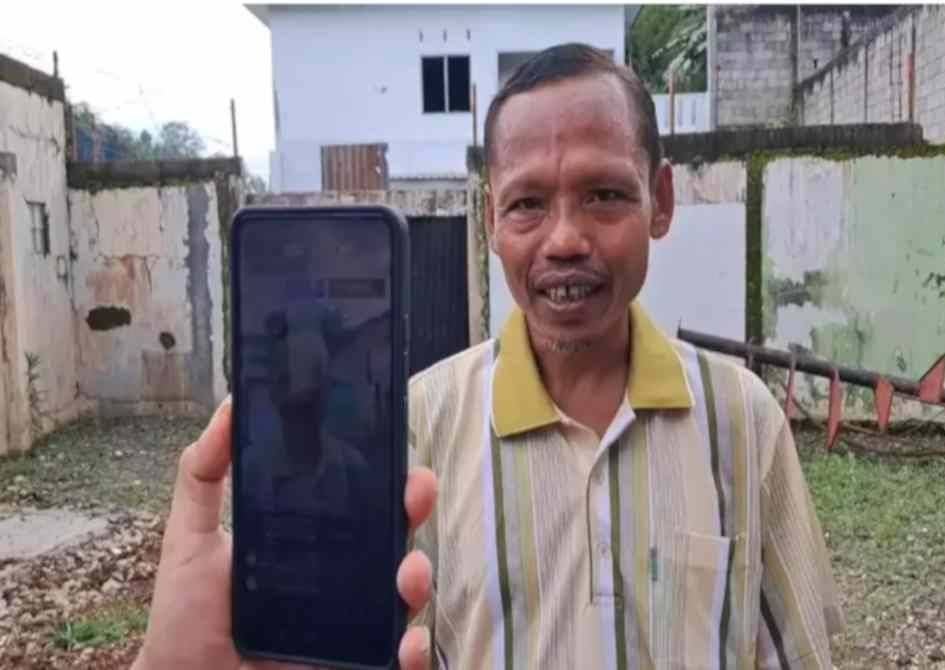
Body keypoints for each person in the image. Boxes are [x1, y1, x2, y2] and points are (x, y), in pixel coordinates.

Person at [133, 44, 842, 670]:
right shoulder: (418, 427)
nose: (565, 239)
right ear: (492, 220)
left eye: (603, 194)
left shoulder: (741, 419)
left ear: (659, 201)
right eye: (528, 203)